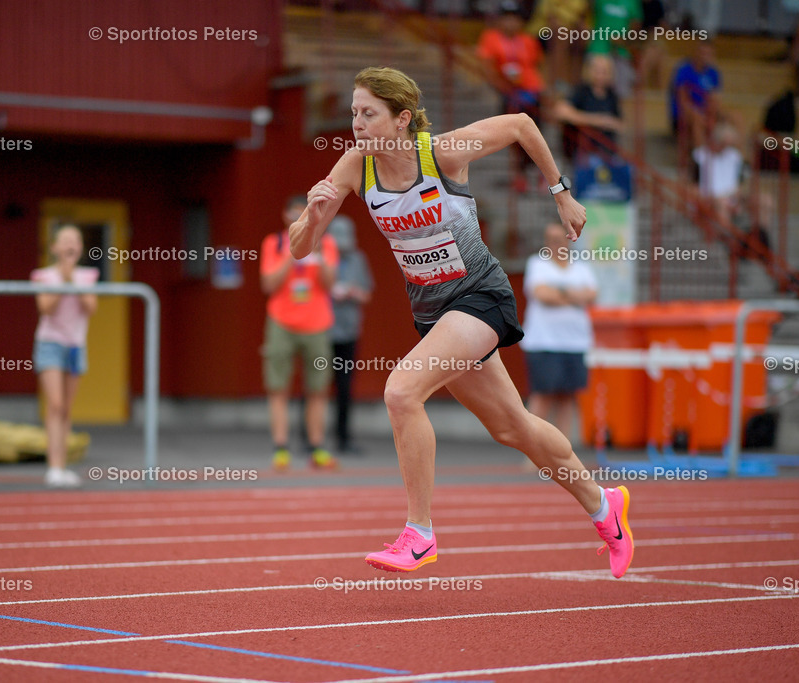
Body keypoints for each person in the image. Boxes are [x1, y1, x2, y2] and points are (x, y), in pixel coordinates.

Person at [291, 66, 634, 578]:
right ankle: (604, 506)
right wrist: (313, 218)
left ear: (402, 118)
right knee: (511, 426)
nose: (357, 123)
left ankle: (419, 534)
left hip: (481, 298)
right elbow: (300, 250)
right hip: (434, 314)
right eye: (354, 112)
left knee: (401, 392)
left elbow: (520, 123)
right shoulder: (354, 167)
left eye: (369, 113)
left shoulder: (442, 152)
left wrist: (560, 192)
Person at [261, 196, 339, 472]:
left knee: (317, 390)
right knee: (278, 388)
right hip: (281, 323)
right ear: (285, 215)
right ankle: (281, 449)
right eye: (293, 212)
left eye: (302, 213)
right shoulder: (275, 243)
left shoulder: (327, 243)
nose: (298, 217)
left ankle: (317, 448)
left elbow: (329, 285)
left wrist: (315, 249)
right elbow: (268, 284)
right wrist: (293, 251)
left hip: (317, 324)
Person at [31, 225, 98, 488]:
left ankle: (63, 464)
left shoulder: (88, 276)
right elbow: (46, 307)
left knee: (67, 408)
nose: (71, 245)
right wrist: (63, 278)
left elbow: (90, 308)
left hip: (75, 345)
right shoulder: (43, 276)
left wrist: (72, 279)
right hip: (50, 343)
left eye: (76, 241)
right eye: (65, 240)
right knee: (55, 404)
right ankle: (53, 466)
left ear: (80, 248)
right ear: (54, 248)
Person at [521, 223, 597, 440]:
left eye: (560, 239)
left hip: (575, 342)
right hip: (544, 342)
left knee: (567, 398)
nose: (556, 244)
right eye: (551, 239)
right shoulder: (537, 264)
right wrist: (574, 294)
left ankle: (563, 453)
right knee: (542, 397)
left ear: (568, 240)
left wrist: (559, 293)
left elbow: (591, 295)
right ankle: (533, 451)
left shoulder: (581, 267)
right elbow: (542, 295)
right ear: (546, 242)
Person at [477, 0, 545, 190]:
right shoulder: (490, 38)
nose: (511, 23)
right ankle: (521, 174)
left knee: (535, 133)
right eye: (507, 18)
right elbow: (487, 68)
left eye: (515, 19)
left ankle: (537, 170)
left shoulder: (528, 41)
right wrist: (503, 88)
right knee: (515, 136)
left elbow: (536, 67)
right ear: (500, 20)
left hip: (530, 92)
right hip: (509, 93)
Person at [327, 215, 373, 455]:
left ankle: (343, 438)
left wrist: (351, 291)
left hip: (349, 330)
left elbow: (366, 294)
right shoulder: (321, 256)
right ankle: (309, 439)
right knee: (316, 385)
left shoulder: (358, 259)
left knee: (345, 386)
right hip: (322, 329)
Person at [553, 53, 624, 161]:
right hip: (583, 151)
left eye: (604, 72)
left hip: (607, 151)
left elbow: (620, 123)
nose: (600, 75)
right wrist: (596, 120)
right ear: (589, 71)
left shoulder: (612, 96)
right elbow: (560, 111)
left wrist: (610, 122)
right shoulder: (581, 91)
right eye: (597, 71)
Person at [586, 0, 643, 98]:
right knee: (593, 81)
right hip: (598, 48)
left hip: (622, 51)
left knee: (622, 91)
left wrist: (624, 39)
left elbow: (636, 26)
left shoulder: (633, 2)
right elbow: (587, 11)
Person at [692, 121, 744, 225]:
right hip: (709, 199)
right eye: (723, 143)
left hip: (730, 198)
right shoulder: (699, 156)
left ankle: (761, 237)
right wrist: (713, 199)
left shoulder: (735, 156)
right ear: (715, 140)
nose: (725, 148)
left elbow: (740, 185)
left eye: (728, 145)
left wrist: (736, 199)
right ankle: (728, 237)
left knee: (766, 202)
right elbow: (693, 187)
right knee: (722, 204)